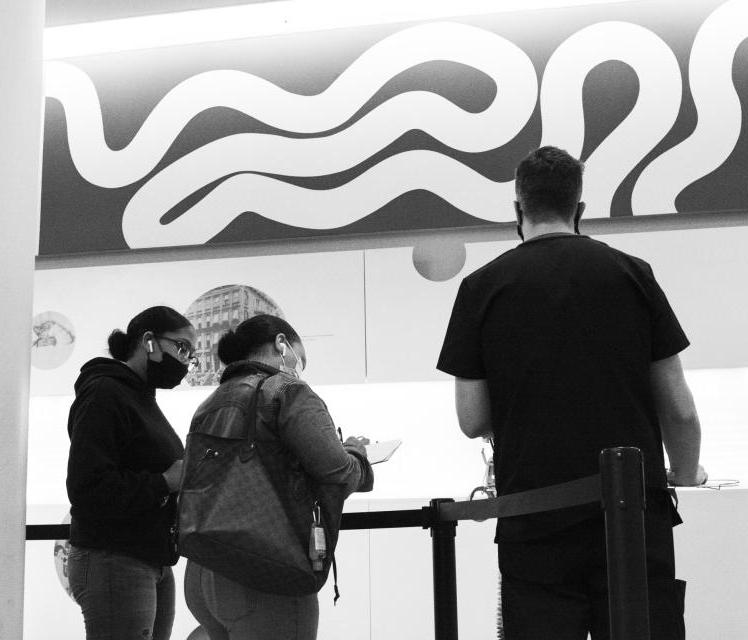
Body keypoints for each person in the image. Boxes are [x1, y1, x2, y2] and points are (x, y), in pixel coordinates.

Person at [437, 146, 707, 640]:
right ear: (579, 210)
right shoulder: (633, 274)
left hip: (533, 519)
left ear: (517, 210)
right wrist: (687, 473)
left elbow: (472, 419)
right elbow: (680, 409)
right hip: (631, 517)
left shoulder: (481, 287)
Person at [184, 314, 374, 640]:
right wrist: (357, 454)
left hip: (205, 573)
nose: (299, 369)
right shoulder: (286, 391)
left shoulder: (211, 402)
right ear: (281, 344)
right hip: (265, 572)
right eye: (301, 360)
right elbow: (338, 474)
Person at [65, 305, 197, 640]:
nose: (185, 361)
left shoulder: (139, 396)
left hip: (147, 556)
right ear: (148, 341)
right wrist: (164, 482)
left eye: (191, 355)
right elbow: (87, 487)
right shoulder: (105, 393)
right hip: (114, 555)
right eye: (181, 347)